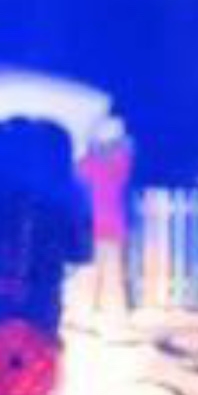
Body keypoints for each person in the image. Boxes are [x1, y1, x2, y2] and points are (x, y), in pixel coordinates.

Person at [76, 116, 134, 315]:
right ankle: (113, 310)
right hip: (114, 223)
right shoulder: (121, 164)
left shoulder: (86, 165)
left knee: (89, 271)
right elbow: (128, 154)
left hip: (90, 224)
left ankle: (85, 309)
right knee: (113, 272)